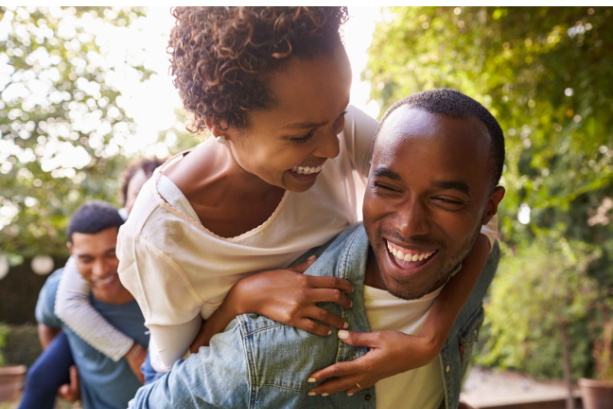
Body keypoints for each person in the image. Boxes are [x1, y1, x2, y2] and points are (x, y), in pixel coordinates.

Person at [117, 6, 497, 390]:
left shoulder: (334, 127)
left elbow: (474, 211)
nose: (333, 149)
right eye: (301, 137)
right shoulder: (159, 236)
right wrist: (242, 299)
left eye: (339, 117)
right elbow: (175, 380)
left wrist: (429, 341)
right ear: (222, 124)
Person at [18, 159, 162, 409]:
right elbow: (63, 307)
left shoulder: (167, 268)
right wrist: (67, 374)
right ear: (125, 201)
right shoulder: (108, 234)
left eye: (158, 193)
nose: (146, 203)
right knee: (39, 378)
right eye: (138, 194)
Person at [34, 201, 150, 409]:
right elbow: (47, 325)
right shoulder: (56, 291)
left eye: (111, 254)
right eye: (86, 259)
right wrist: (63, 377)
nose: (100, 270)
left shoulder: (157, 288)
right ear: (71, 251)